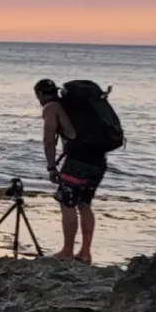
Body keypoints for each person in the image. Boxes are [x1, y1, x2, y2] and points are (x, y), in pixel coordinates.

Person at [35, 78, 102, 263]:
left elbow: (49, 140)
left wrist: (51, 167)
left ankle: (67, 251)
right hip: (98, 159)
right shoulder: (74, 106)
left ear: (39, 95)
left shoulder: (51, 108)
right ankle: (85, 253)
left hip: (78, 161)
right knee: (84, 203)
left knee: (67, 202)